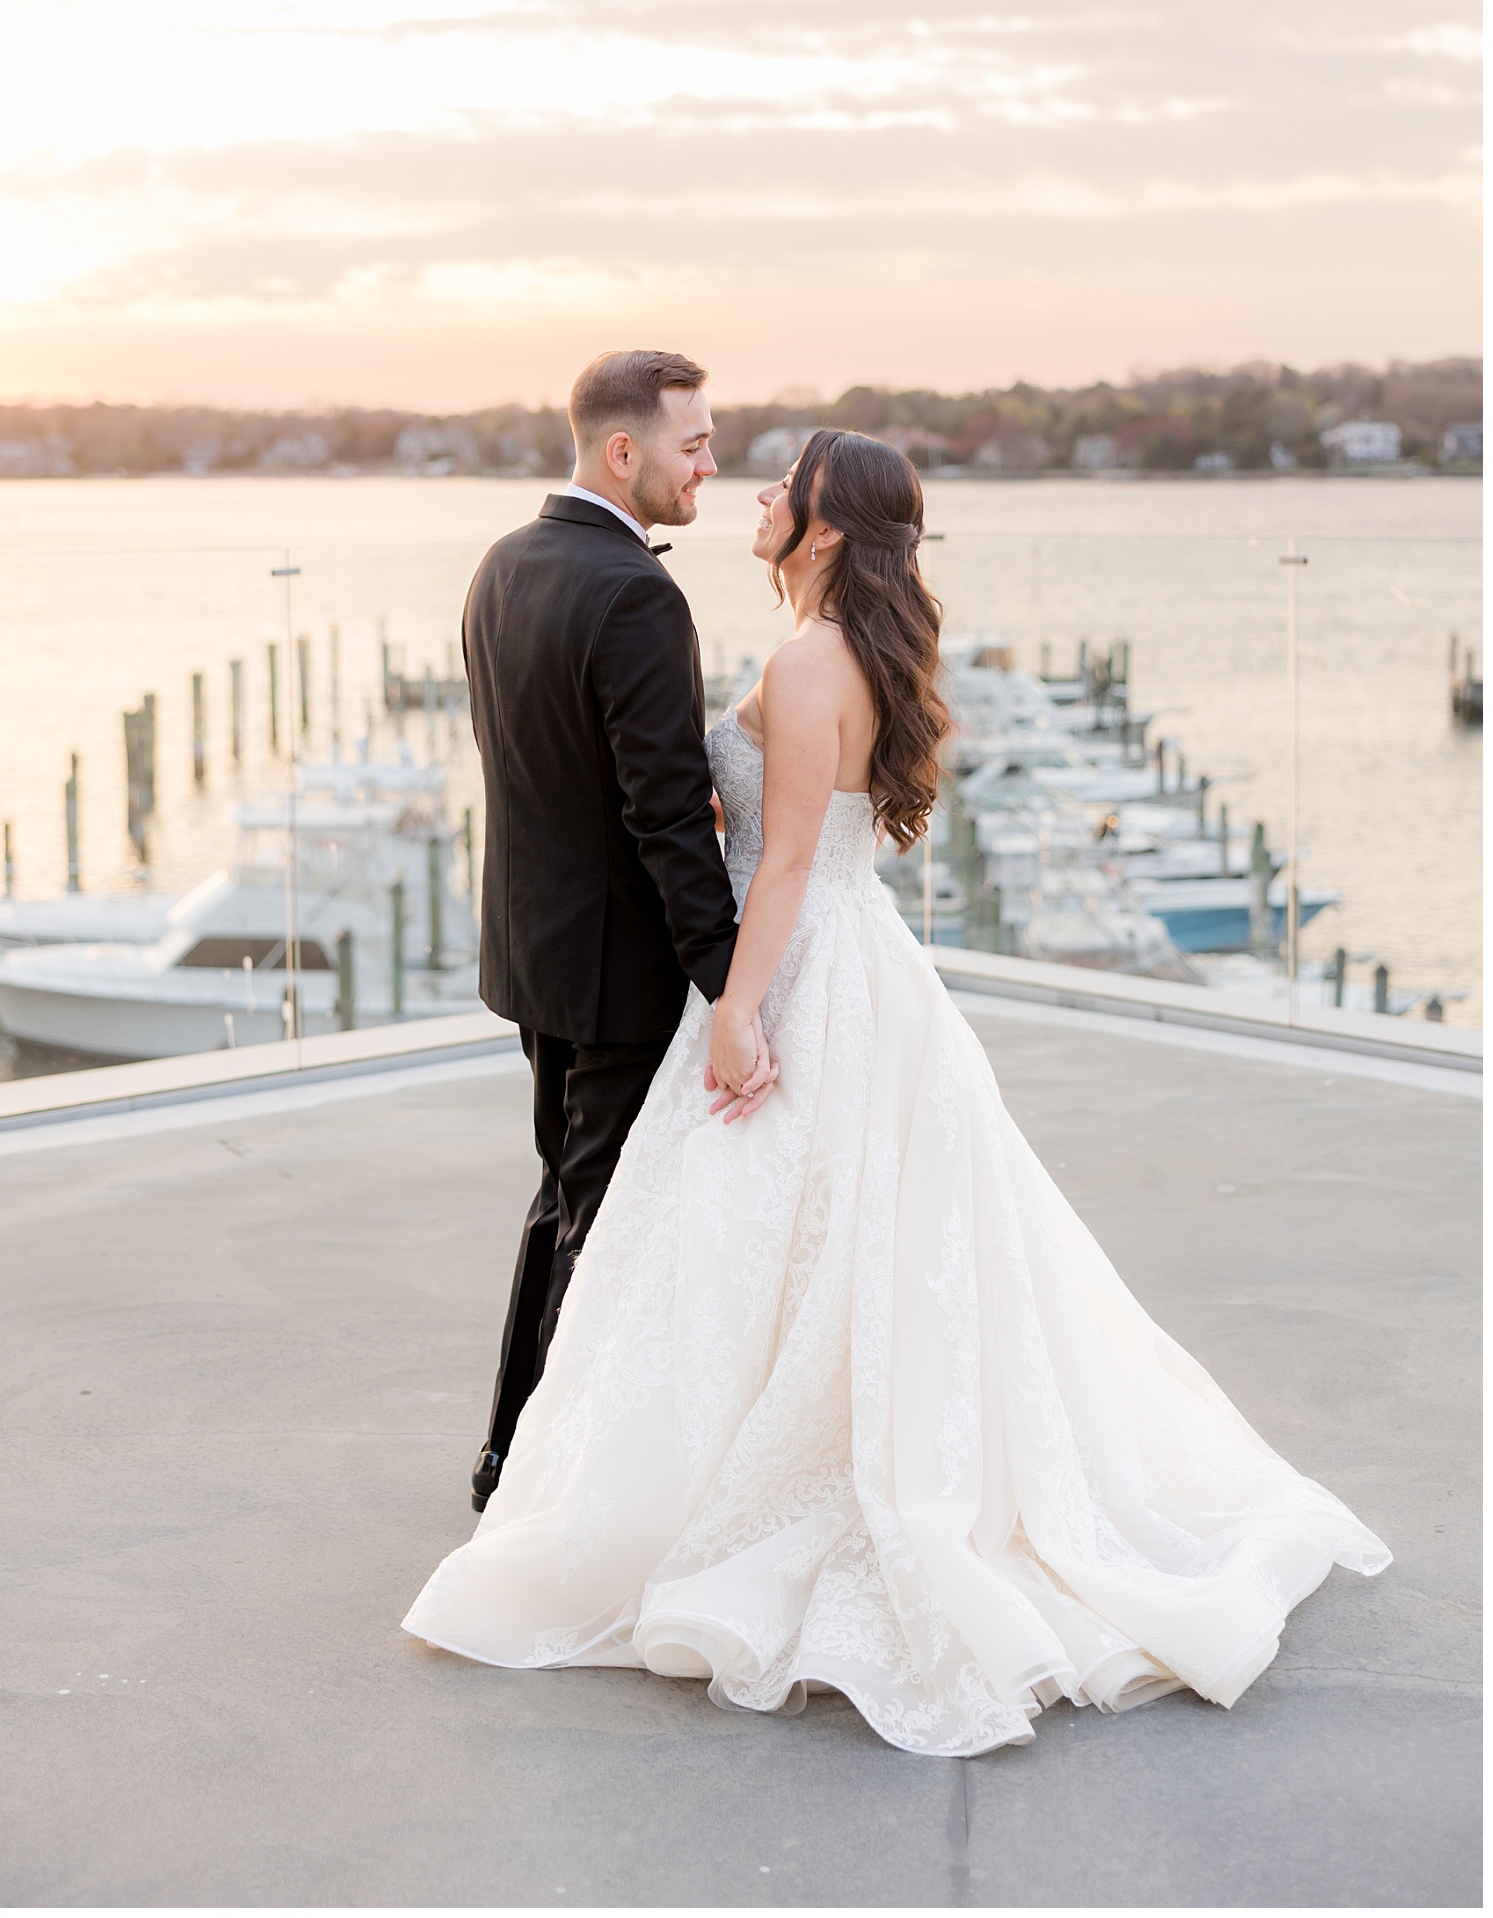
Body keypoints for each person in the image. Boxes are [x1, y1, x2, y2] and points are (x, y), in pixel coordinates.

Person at [408, 429, 1390, 1759]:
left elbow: (795, 860)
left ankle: (727, 1497)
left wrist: (740, 1011)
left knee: (771, 1237)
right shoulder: (865, 652)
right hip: (864, 969)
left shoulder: (810, 661)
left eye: (778, 487)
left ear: (819, 528)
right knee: (827, 1247)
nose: (753, 497)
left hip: (808, 969)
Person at [458, 348, 771, 1516]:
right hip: (617, 979)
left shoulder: (504, 564)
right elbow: (661, 816)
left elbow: (528, 774)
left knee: (563, 1199)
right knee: (602, 1225)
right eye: (693, 444)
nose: (710, 464)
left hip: (532, 958)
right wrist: (728, 980)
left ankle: (506, 1457)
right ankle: (534, 1484)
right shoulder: (635, 592)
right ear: (622, 449)